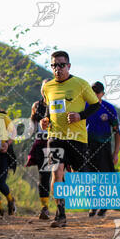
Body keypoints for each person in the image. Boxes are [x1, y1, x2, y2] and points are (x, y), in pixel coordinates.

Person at [40, 51, 100, 227]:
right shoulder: (48, 87)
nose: (57, 69)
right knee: (56, 172)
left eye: (61, 65)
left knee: (79, 176)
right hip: (55, 137)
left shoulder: (80, 84)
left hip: (77, 138)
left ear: (68, 66)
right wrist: (46, 120)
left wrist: (80, 116)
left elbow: (96, 105)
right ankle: (60, 215)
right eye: (54, 65)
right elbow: (48, 109)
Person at [85, 81, 120, 217]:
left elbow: (118, 132)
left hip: (105, 147)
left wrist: (116, 153)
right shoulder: (85, 106)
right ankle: (93, 205)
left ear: (102, 94)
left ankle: (104, 204)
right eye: (92, 91)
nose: (94, 94)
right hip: (88, 147)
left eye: (97, 92)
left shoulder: (109, 108)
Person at [25, 79, 52, 220]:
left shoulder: (59, 103)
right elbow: (32, 125)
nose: (45, 90)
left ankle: (61, 207)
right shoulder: (36, 105)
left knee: (59, 175)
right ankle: (45, 207)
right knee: (44, 176)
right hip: (42, 143)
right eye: (44, 87)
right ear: (41, 90)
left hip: (58, 141)